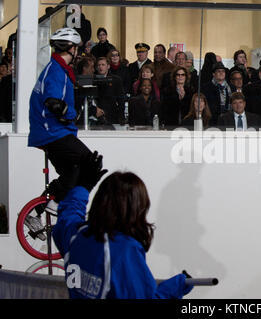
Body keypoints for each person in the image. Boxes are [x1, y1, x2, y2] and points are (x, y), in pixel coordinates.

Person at [52, 153, 194, 299]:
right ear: (138, 209)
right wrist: (176, 286)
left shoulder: (76, 236)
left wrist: (83, 186)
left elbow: (68, 215)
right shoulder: (124, 251)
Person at [28, 28, 93, 215]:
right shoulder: (56, 70)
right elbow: (53, 102)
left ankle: (36, 212)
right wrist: (68, 114)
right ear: (70, 48)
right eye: (77, 48)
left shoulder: (56, 68)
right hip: (53, 131)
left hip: (51, 131)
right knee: (88, 162)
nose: (78, 53)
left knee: (72, 170)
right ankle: (57, 203)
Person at [95, 57, 126, 125]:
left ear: (108, 66)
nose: (100, 67)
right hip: (97, 115)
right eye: (99, 65)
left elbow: (121, 99)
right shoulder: (93, 80)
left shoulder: (116, 80)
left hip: (112, 114)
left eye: (103, 65)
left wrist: (121, 117)